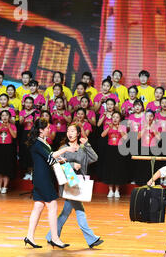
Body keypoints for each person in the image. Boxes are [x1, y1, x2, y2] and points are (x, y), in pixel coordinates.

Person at [45, 124, 103, 249]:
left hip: (79, 182)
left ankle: (50, 236)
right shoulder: (64, 148)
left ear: (78, 133)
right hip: (69, 181)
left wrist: (87, 144)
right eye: (68, 131)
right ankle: (91, 239)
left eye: (72, 131)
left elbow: (95, 158)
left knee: (65, 213)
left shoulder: (82, 147)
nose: (69, 133)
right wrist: (72, 165)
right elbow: (57, 165)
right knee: (80, 210)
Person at [24, 118, 77, 249]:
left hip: (42, 177)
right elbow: (49, 158)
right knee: (52, 205)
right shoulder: (37, 143)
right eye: (47, 128)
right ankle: (55, 238)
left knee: (38, 207)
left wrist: (59, 158)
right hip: (42, 178)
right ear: (41, 130)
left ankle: (29, 237)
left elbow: (50, 158)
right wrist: (66, 150)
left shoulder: (42, 142)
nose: (49, 129)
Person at [101, 111, 128, 198]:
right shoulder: (108, 126)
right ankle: (110, 190)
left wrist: (120, 129)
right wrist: (109, 128)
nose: (115, 119)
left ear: (120, 119)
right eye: (113, 117)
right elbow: (102, 135)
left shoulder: (122, 127)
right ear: (111, 118)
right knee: (110, 169)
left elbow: (126, 138)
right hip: (110, 149)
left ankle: (117, 190)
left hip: (119, 149)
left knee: (117, 169)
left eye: (117, 117)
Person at [0, 110, 17, 194]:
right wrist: (1, 126)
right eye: (3, 115)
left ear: (9, 117)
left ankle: (5, 187)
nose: (4, 117)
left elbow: (14, 136)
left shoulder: (13, 126)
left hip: (8, 147)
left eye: (6, 115)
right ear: (0, 117)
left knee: (6, 168)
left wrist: (9, 127)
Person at [19, 97, 40, 180]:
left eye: (30, 103)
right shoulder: (22, 112)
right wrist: (26, 116)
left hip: (33, 133)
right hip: (24, 133)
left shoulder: (37, 112)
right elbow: (20, 122)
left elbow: (38, 123)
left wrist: (33, 122)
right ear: (24, 103)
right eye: (26, 102)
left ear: (33, 104)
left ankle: (33, 172)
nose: (28, 104)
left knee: (33, 152)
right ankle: (27, 172)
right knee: (25, 152)